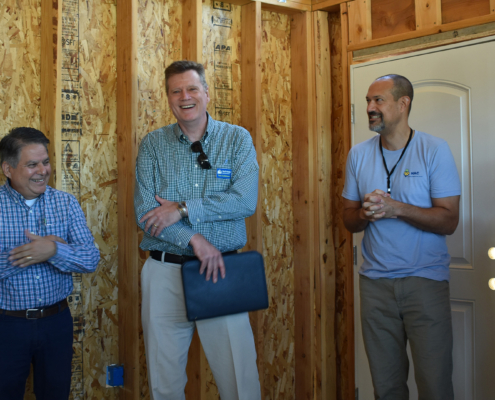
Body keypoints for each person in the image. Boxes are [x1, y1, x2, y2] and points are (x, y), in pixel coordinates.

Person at [134, 60, 261, 400]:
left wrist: (182, 209)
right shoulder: (152, 144)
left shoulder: (236, 139)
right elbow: (146, 213)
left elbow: (244, 201)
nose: (184, 96)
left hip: (220, 271)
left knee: (239, 378)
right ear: (168, 98)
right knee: (165, 381)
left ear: (206, 93)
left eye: (192, 88)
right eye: (176, 91)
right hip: (164, 270)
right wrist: (194, 238)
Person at [342, 75, 461, 399]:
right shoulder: (359, 154)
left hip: (424, 283)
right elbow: (348, 220)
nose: (370, 108)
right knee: (387, 387)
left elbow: (449, 220)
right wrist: (366, 213)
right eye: (368, 101)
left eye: (378, 100)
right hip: (375, 286)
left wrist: (397, 209)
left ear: (403, 103)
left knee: (435, 386)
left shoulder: (433, 149)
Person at [0, 127, 100, 399]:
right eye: (32, 164)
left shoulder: (65, 203)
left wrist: (54, 249)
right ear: (8, 169)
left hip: (56, 322)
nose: (42, 171)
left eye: (45, 162)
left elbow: (91, 258)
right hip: (7, 326)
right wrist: (35, 251)